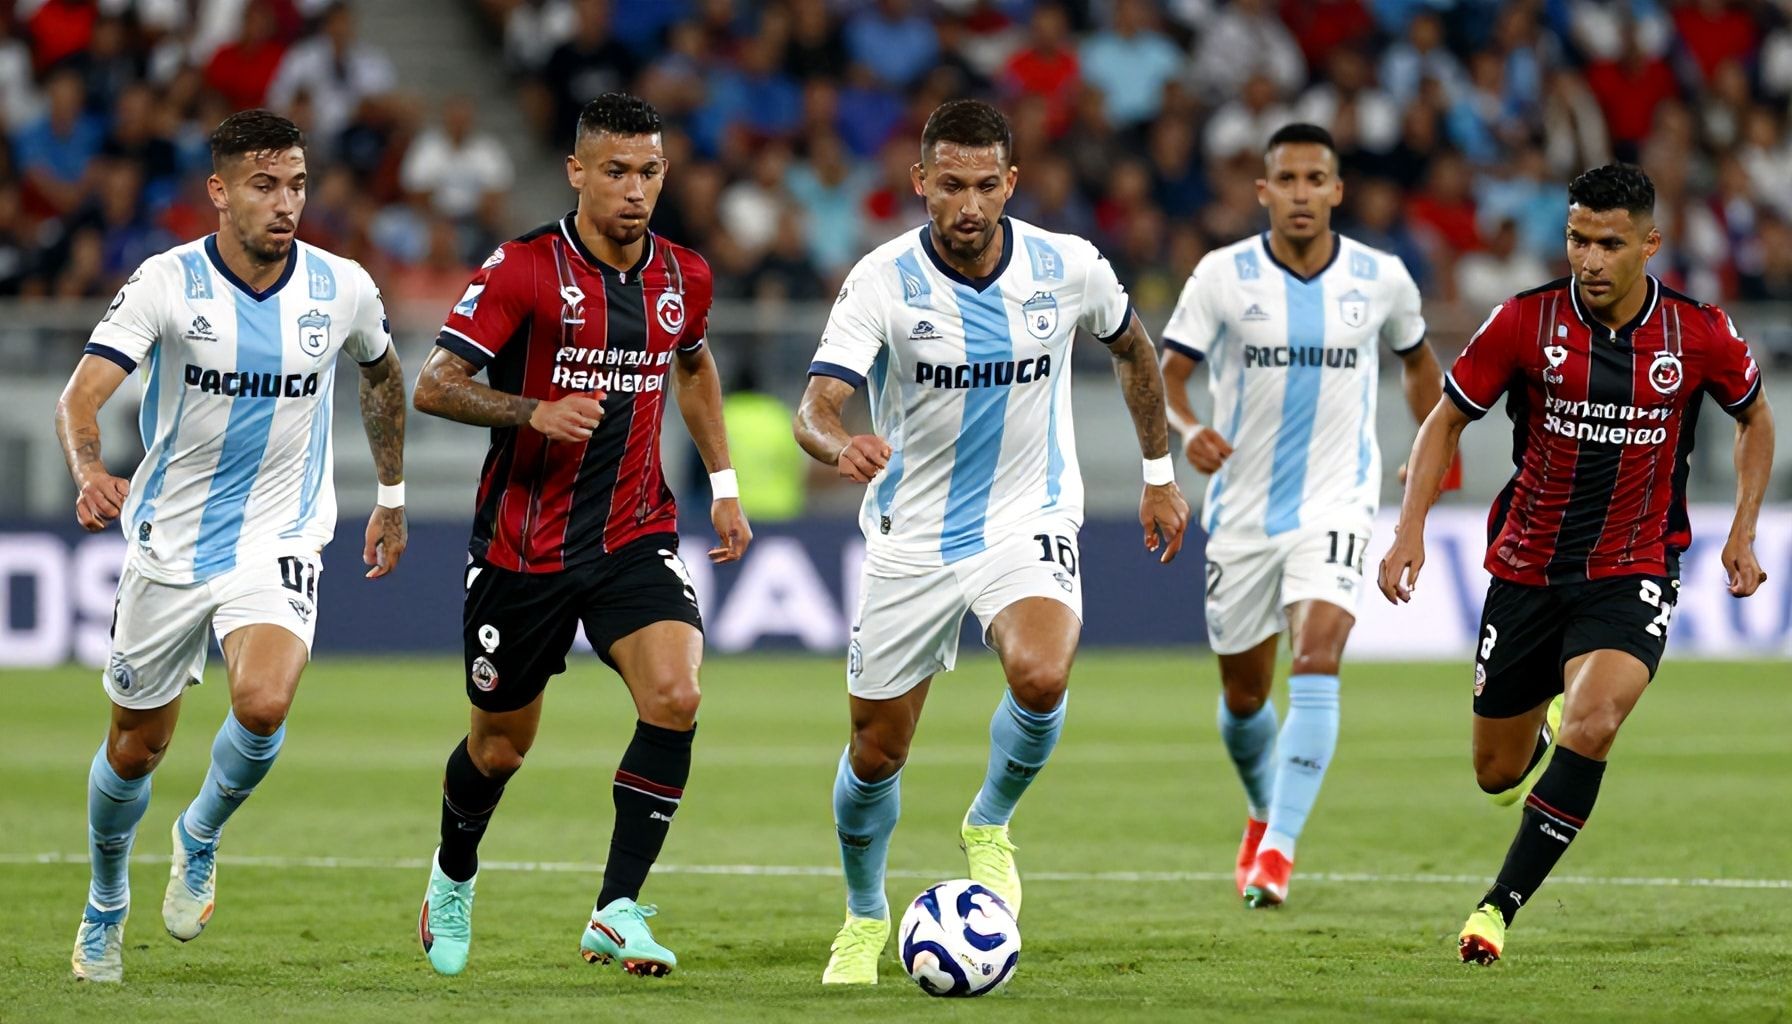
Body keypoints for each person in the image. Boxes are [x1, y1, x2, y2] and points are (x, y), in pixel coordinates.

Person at [793, 98, 1190, 985]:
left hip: (1029, 514)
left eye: (985, 186)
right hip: (912, 535)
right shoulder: (882, 280)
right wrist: (840, 442)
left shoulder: (1069, 266)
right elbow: (815, 408)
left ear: (1012, 183)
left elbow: (1134, 349)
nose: (968, 205)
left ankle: (987, 821)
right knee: (876, 751)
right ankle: (864, 917)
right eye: (949, 186)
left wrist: (1159, 473)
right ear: (920, 184)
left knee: (1042, 672)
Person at [1377, 163, 1773, 964]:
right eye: (1576, 240)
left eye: (1608, 243)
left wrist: (1743, 530)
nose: (1589, 259)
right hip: (1526, 569)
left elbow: (1755, 418)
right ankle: (1541, 721)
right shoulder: (1523, 322)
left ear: (1650, 245)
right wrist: (1410, 528)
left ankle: (1495, 908)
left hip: (1635, 566)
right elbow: (1444, 422)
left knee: (1596, 721)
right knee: (1495, 773)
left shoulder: (1698, 333)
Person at [55, 109, 408, 983]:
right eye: (263, 185)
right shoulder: (164, 283)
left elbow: (382, 374)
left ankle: (200, 834)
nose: (286, 202)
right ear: (219, 191)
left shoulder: (343, 288)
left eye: (295, 183)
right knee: (135, 749)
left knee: (263, 702)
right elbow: (80, 398)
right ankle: (105, 900)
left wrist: (391, 495)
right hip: (169, 543)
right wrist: (92, 470)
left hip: (279, 532)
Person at [409, 93, 750, 979]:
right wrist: (533, 410)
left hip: (635, 532)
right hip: (523, 549)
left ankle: (616, 909)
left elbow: (696, 363)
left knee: (675, 696)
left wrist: (724, 484)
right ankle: (453, 872)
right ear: (576, 172)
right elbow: (436, 385)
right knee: (499, 748)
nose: (635, 190)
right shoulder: (522, 269)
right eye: (615, 172)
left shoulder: (685, 276)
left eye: (649, 172)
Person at [1159, 123, 1442, 909]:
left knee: (1316, 657)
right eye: (1286, 180)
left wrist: (1430, 453)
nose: (1302, 193)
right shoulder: (1222, 276)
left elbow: (1420, 366)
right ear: (1263, 192)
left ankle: (1278, 852)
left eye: (1317, 178)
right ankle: (1260, 812)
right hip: (1243, 513)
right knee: (1246, 698)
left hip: (1338, 502)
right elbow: (1167, 374)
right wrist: (1189, 432)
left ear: (1338, 190)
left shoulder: (1382, 278)